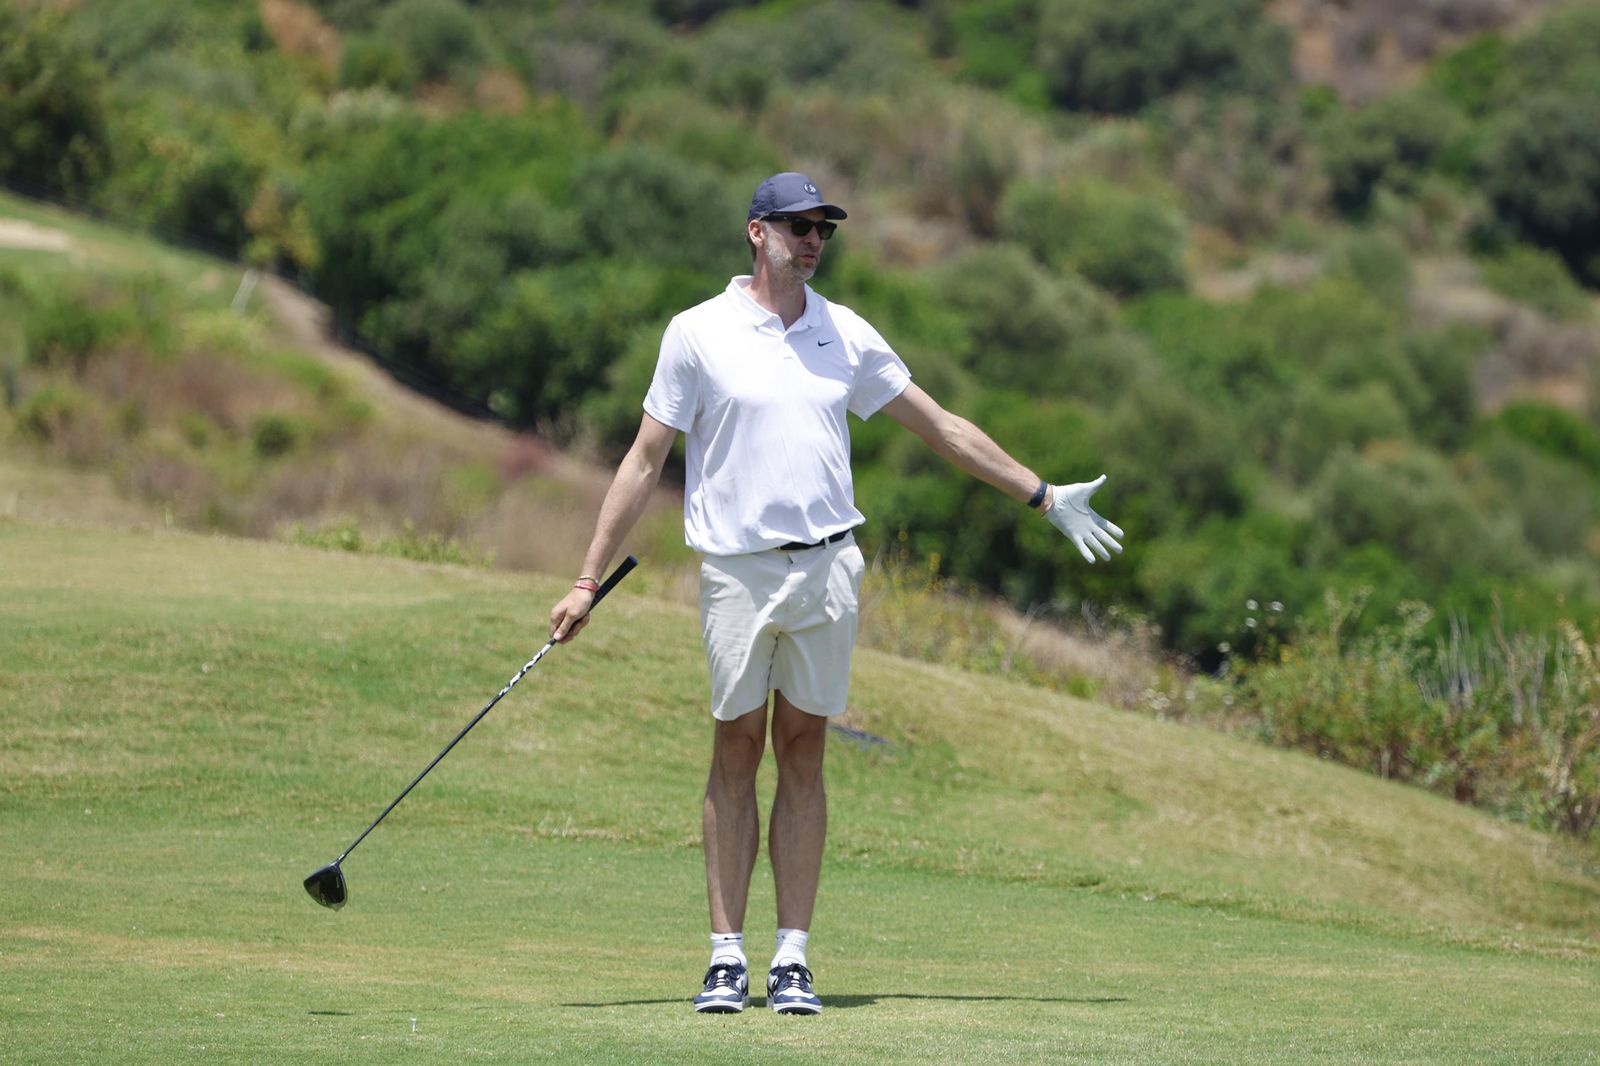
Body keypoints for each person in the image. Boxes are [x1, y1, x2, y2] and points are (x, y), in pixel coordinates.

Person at [548, 171, 1123, 1016]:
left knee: (805, 753)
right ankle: (724, 957)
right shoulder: (698, 332)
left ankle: (791, 959)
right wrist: (587, 578)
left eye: (824, 228)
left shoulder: (844, 333)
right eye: (797, 225)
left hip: (825, 567)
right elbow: (644, 460)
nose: (813, 240)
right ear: (757, 231)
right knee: (735, 749)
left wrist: (1040, 494)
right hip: (737, 570)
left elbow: (942, 427)